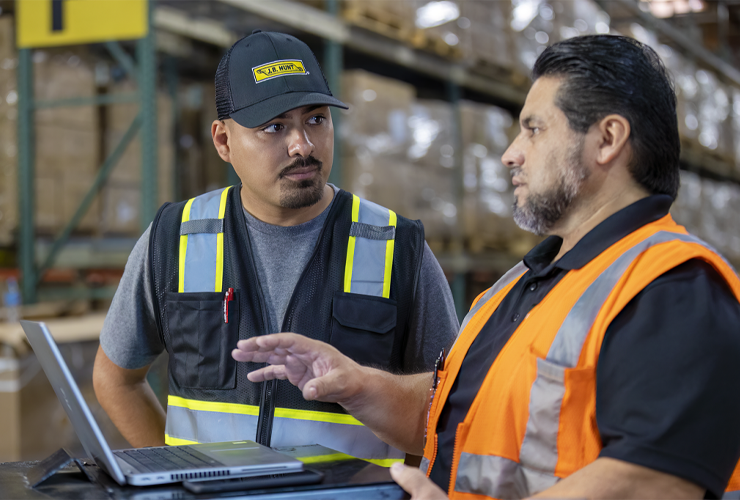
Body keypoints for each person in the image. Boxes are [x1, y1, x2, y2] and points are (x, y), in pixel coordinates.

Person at [231, 34, 740, 500]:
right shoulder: (527, 282)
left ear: (607, 140)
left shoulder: (674, 289)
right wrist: (358, 384)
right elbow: (459, 419)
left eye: (534, 130)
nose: (510, 154)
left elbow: (650, 482)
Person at [92, 30, 459, 465]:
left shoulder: (396, 246)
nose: (302, 145)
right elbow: (115, 378)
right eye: (274, 126)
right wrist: (175, 475)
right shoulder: (176, 238)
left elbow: (450, 403)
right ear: (223, 141)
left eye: (316, 119)